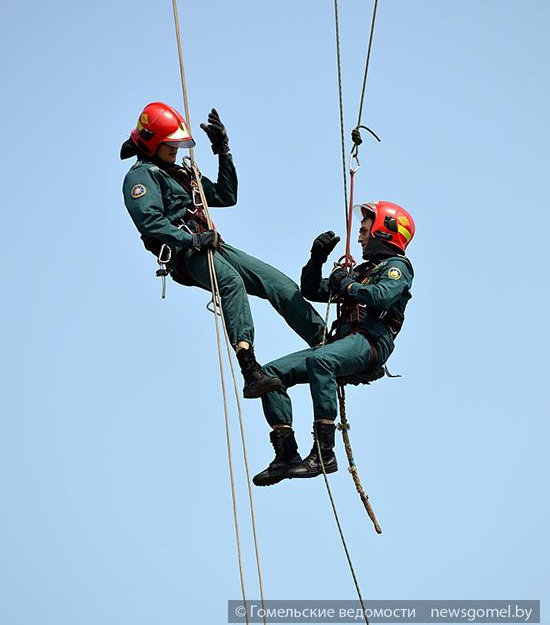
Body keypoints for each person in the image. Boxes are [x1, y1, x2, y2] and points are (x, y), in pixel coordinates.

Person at [121, 102, 326, 398]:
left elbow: (226, 195)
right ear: (152, 144)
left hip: (212, 245)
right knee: (231, 282)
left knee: (277, 283)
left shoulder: (179, 173)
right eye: (170, 145)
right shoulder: (142, 177)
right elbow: (150, 222)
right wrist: (189, 241)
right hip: (185, 254)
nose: (176, 150)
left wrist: (223, 151)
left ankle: (324, 341)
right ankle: (249, 369)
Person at [252, 201, 415, 486]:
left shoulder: (396, 267)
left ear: (383, 232)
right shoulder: (362, 272)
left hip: (371, 342)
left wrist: (347, 285)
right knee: (269, 375)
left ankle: (324, 454)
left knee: (321, 360)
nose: (360, 237)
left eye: (364, 230)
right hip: (346, 343)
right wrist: (317, 258)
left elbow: (381, 297)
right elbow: (312, 290)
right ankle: (286, 454)